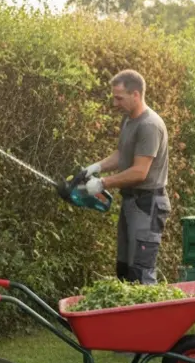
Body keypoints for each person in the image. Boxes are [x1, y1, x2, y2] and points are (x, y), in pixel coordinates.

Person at [67, 69, 170, 284]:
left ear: (136, 95)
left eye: (119, 98)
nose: (115, 103)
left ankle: (147, 316)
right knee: (124, 268)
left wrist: (103, 183)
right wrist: (95, 168)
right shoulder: (129, 120)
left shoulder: (149, 125)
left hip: (148, 203)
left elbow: (140, 172)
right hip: (131, 202)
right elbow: (123, 153)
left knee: (141, 271)